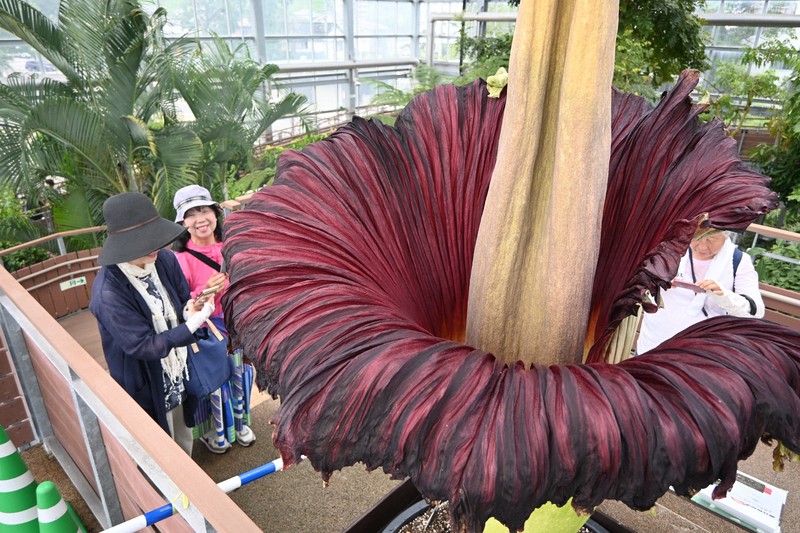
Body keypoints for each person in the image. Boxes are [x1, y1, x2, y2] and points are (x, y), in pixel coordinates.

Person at [90, 192, 215, 455]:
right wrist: (192, 325)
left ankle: (190, 484)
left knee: (183, 435)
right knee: (157, 448)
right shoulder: (108, 292)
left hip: (178, 368)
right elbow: (143, 345)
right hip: (145, 379)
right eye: (144, 241)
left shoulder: (164, 259)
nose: (155, 245)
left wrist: (191, 308)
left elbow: (182, 298)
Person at [172, 184, 256, 453]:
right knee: (216, 383)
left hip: (238, 323)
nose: (200, 219)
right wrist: (206, 290)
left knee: (242, 374)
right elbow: (183, 305)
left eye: (205, 210)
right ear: (183, 222)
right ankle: (218, 434)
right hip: (208, 331)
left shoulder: (230, 246)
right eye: (192, 214)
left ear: (215, 213)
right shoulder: (179, 259)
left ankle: (241, 425)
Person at [636, 228, 765, 354]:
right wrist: (655, 279)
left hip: (701, 353)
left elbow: (756, 311)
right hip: (652, 344)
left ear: (726, 235)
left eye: (711, 239)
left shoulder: (739, 261)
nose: (702, 246)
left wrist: (724, 296)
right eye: (697, 238)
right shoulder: (667, 249)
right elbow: (637, 282)